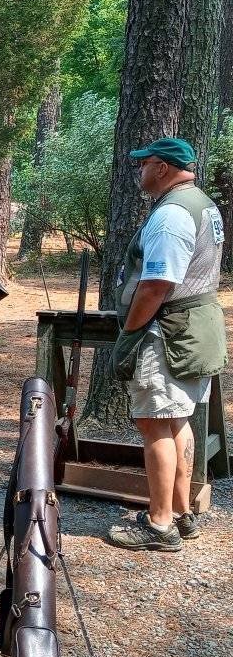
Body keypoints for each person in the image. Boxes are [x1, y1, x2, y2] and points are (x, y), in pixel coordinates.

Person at [107, 138, 226, 552]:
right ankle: (181, 512)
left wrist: (132, 334)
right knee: (178, 420)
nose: (139, 171)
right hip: (192, 328)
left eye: (144, 164)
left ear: (161, 168)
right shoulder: (202, 204)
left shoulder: (172, 214)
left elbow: (157, 284)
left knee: (155, 424)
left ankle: (158, 525)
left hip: (168, 332)